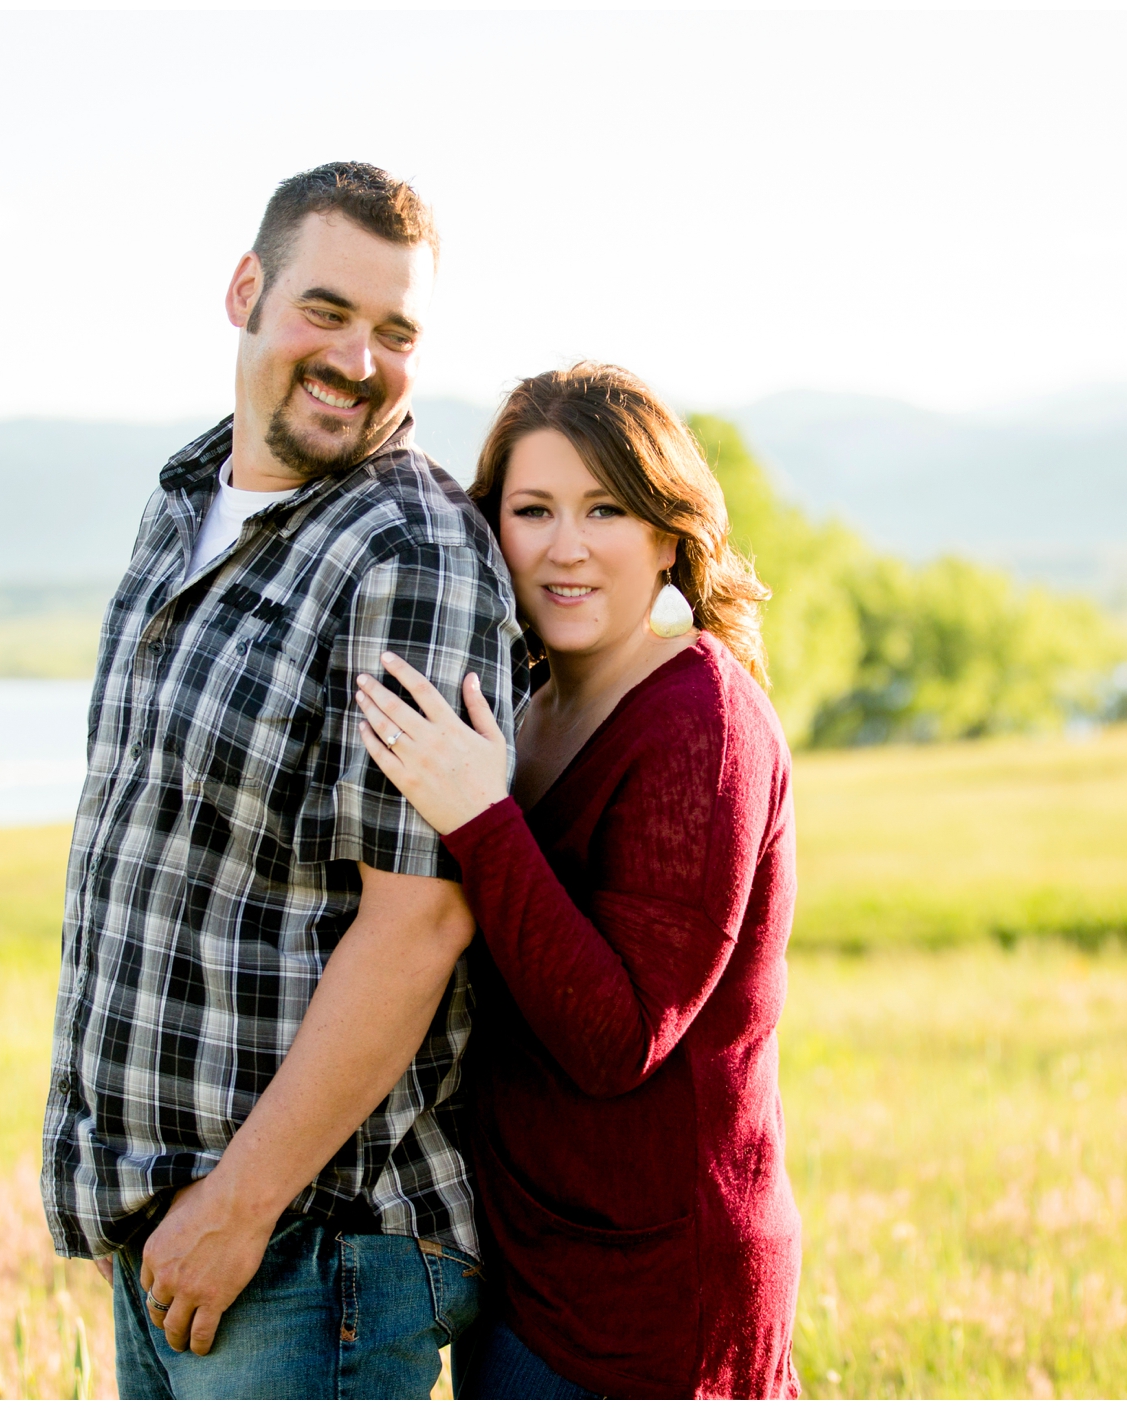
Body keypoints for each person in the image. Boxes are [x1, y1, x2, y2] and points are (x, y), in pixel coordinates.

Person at [39, 161, 527, 1399]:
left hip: (312, 1253)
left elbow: (418, 922)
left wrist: (238, 1209)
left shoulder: (405, 551)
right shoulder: (179, 504)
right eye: (328, 311)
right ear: (246, 289)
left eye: (396, 332)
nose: (359, 359)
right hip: (174, 1229)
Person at [353, 363, 803, 1399]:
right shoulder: (516, 706)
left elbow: (617, 1039)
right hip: (522, 1262)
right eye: (532, 509)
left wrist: (482, 818)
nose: (565, 546)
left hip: (650, 1290)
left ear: (665, 532)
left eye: (604, 508)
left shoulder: (704, 724)